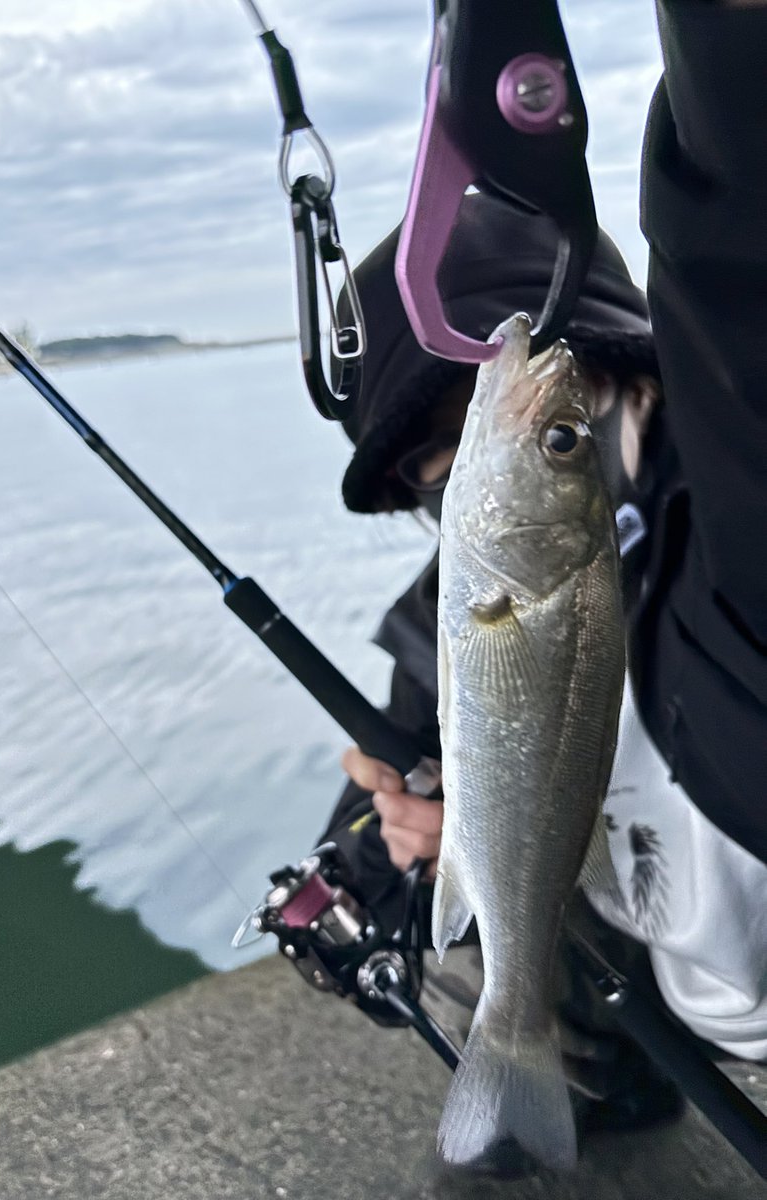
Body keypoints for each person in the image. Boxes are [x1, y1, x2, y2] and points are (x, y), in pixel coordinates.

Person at [316, 0, 767, 1152]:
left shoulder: (734, 497)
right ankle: (599, 1093)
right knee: (474, 953)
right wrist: (391, 840)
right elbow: (366, 841)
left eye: (557, 433)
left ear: (634, 373)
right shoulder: (446, 617)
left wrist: (733, 46)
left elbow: (743, 267)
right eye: (433, 467)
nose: (461, 465)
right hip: (668, 985)